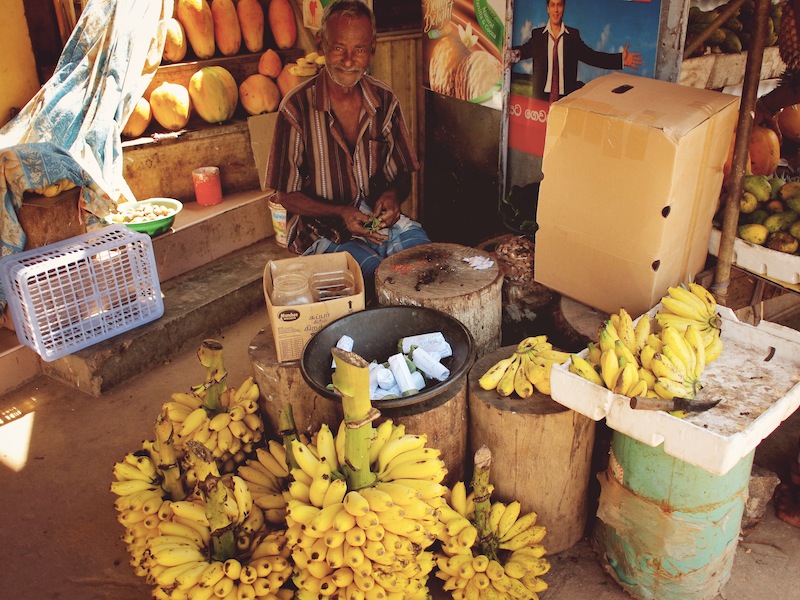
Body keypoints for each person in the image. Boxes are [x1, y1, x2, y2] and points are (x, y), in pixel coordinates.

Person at [264, 0, 430, 295]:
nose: (349, 60)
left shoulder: (385, 101)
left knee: (422, 269)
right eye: (339, 48)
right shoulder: (296, 108)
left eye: (360, 50)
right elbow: (286, 196)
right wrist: (341, 212)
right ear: (321, 44)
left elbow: (403, 171)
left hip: (380, 225)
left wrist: (392, 196)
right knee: (377, 283)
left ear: (372, 50)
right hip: (322, 231)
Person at [506, 0, 642, 102]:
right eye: (552, 5)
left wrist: (619, 60)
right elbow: (523, 51)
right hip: (541, 98)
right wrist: (508, 56)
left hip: (566, 98)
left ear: (563, 7)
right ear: (547, 8)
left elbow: (592, 57)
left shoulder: (572, 36)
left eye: (559, 5)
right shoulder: (538, 36)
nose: (556, 10)